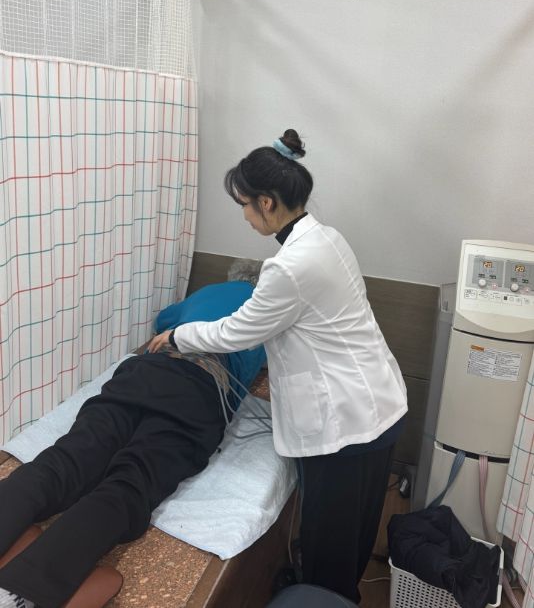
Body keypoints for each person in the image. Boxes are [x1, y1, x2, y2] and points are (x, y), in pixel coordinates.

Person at [148, 128, 409, 604]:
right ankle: (332, 592)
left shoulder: (288, 268)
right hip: (378, 401)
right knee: (351, 533)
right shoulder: (327, 238)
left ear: (267, 203)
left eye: (244, 205)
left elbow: (236, 332)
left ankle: (322, 596)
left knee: (329, 541)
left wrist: (179, 335)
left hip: (346, 422)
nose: (244, 216)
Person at [0, 279, 266, 608]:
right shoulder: (267, 310)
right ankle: (19, 595)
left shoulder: (206, 293)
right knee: (129, 482)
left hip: (145, 370)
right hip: (198, 388)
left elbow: (164, 320)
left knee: (65, 461)